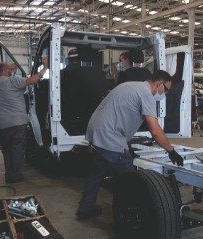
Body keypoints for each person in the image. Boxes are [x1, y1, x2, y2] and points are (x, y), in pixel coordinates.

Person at [76, 70, 184, 219]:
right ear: (159, 84)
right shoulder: (147, 95)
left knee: (96, 173)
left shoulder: (130, 86)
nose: (164, 94)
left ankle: (85, 209)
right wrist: (171, 151)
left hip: (96, 133)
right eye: (165, 90)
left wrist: (125, 144)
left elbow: (119, 114)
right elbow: (155, 130)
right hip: (109, 137)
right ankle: (127, 218)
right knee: (130, 181)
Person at [0, 58, 48, 183]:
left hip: (4, 124)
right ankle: (16, 175)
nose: (11, 70)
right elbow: (33, 80)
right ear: (4, 70)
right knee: (17, 149)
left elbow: (15, 87)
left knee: (7, 150)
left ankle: (9, 174)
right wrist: (45, 67)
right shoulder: (13, 80)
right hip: (17, 122)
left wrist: (13, 71)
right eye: (9, 68)